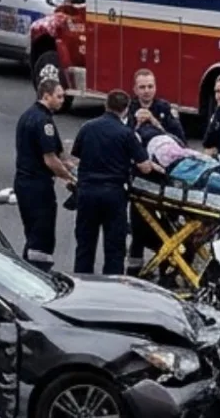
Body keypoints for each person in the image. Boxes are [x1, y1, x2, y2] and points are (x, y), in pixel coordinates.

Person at [71, 89, 161, 275]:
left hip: (87, 192)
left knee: (85, 244)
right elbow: (144, 166)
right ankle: (112, 287)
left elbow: (76, 159)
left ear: (106, 105)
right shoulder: (126, 134)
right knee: (114, 248)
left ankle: (81, 283)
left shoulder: (87, 127)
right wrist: (155, 166)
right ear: (126, 110)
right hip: (113, 194)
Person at [125, 68, 186, 275]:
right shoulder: (128, 108)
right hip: (139, 177)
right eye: (142, 87)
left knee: (166, 223)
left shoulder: (164, 108)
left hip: (163, 178)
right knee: (138, 224)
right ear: (135, 89)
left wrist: (154, 121)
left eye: (150, 86)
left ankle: (166, 263)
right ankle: (134, 268)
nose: (146, 91)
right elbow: (124, 139)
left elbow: (179, 141)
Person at [13, 79, 77, 271]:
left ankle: (26, 269)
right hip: (37, 185)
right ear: (46, 96)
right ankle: (39, 273)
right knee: (42, 236)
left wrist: (70, 165)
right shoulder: (43, 122)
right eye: (59, 96)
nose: (62, 100)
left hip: (24, 182)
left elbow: (59, 155)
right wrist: (70, 178)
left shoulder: (28, 116)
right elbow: (50, 160)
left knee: (32, 234)